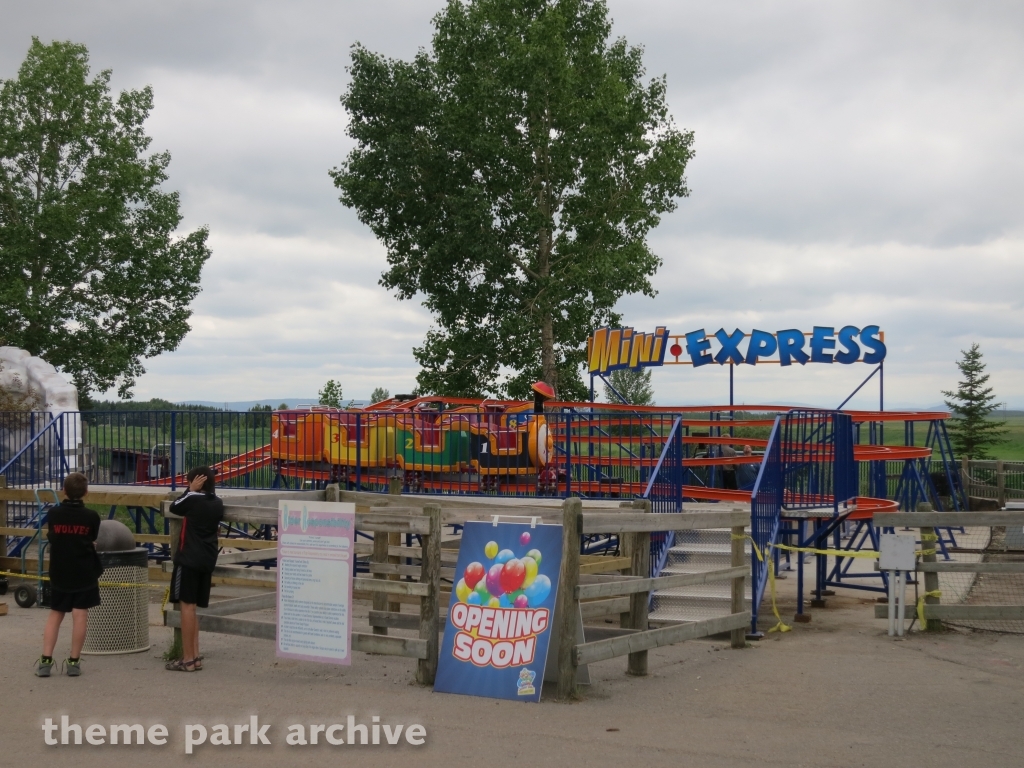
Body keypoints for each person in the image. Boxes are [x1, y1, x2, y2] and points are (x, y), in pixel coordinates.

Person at [37, 472, 102, 677]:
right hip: (84, 571)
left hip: (60, 570)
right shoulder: (91, 516)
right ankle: (74, 662)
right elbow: (91, 537)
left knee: (55, 614)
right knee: (80, 614)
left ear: (63, 490)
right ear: (86, 492)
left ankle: (45, 661)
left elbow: (54, 537)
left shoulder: (54, 514)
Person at [166, 467, 223, 672]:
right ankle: (195, 656)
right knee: (195, 608)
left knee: (186, 607)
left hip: (189, 558)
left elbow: (175, 506)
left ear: (196, 482)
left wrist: (190, 490)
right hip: (207, 559)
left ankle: (188, 659)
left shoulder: (191, 499)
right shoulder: (217, 503)